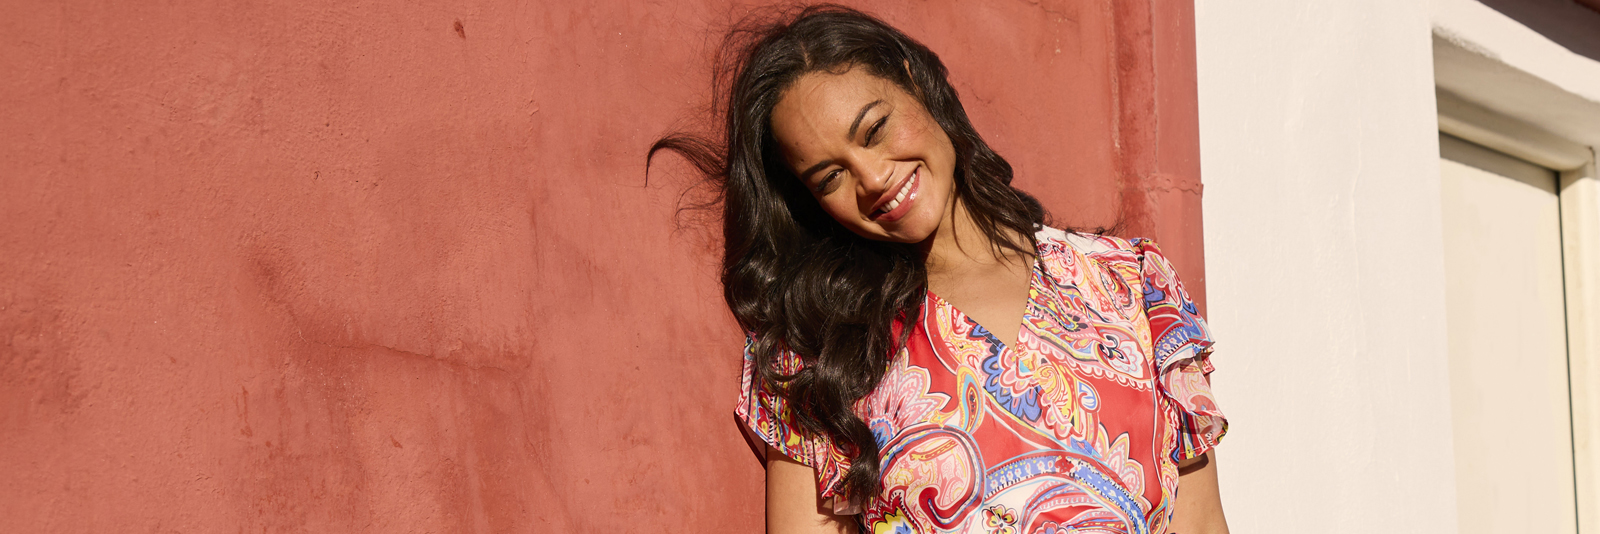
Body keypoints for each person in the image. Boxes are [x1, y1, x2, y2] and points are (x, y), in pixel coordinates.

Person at [651, 5, 1229, 533]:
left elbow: (1200, 526)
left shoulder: (1132, 285)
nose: (873, 178)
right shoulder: (820, 355)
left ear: (914, 81)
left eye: (874, 130)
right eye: (830, 176)